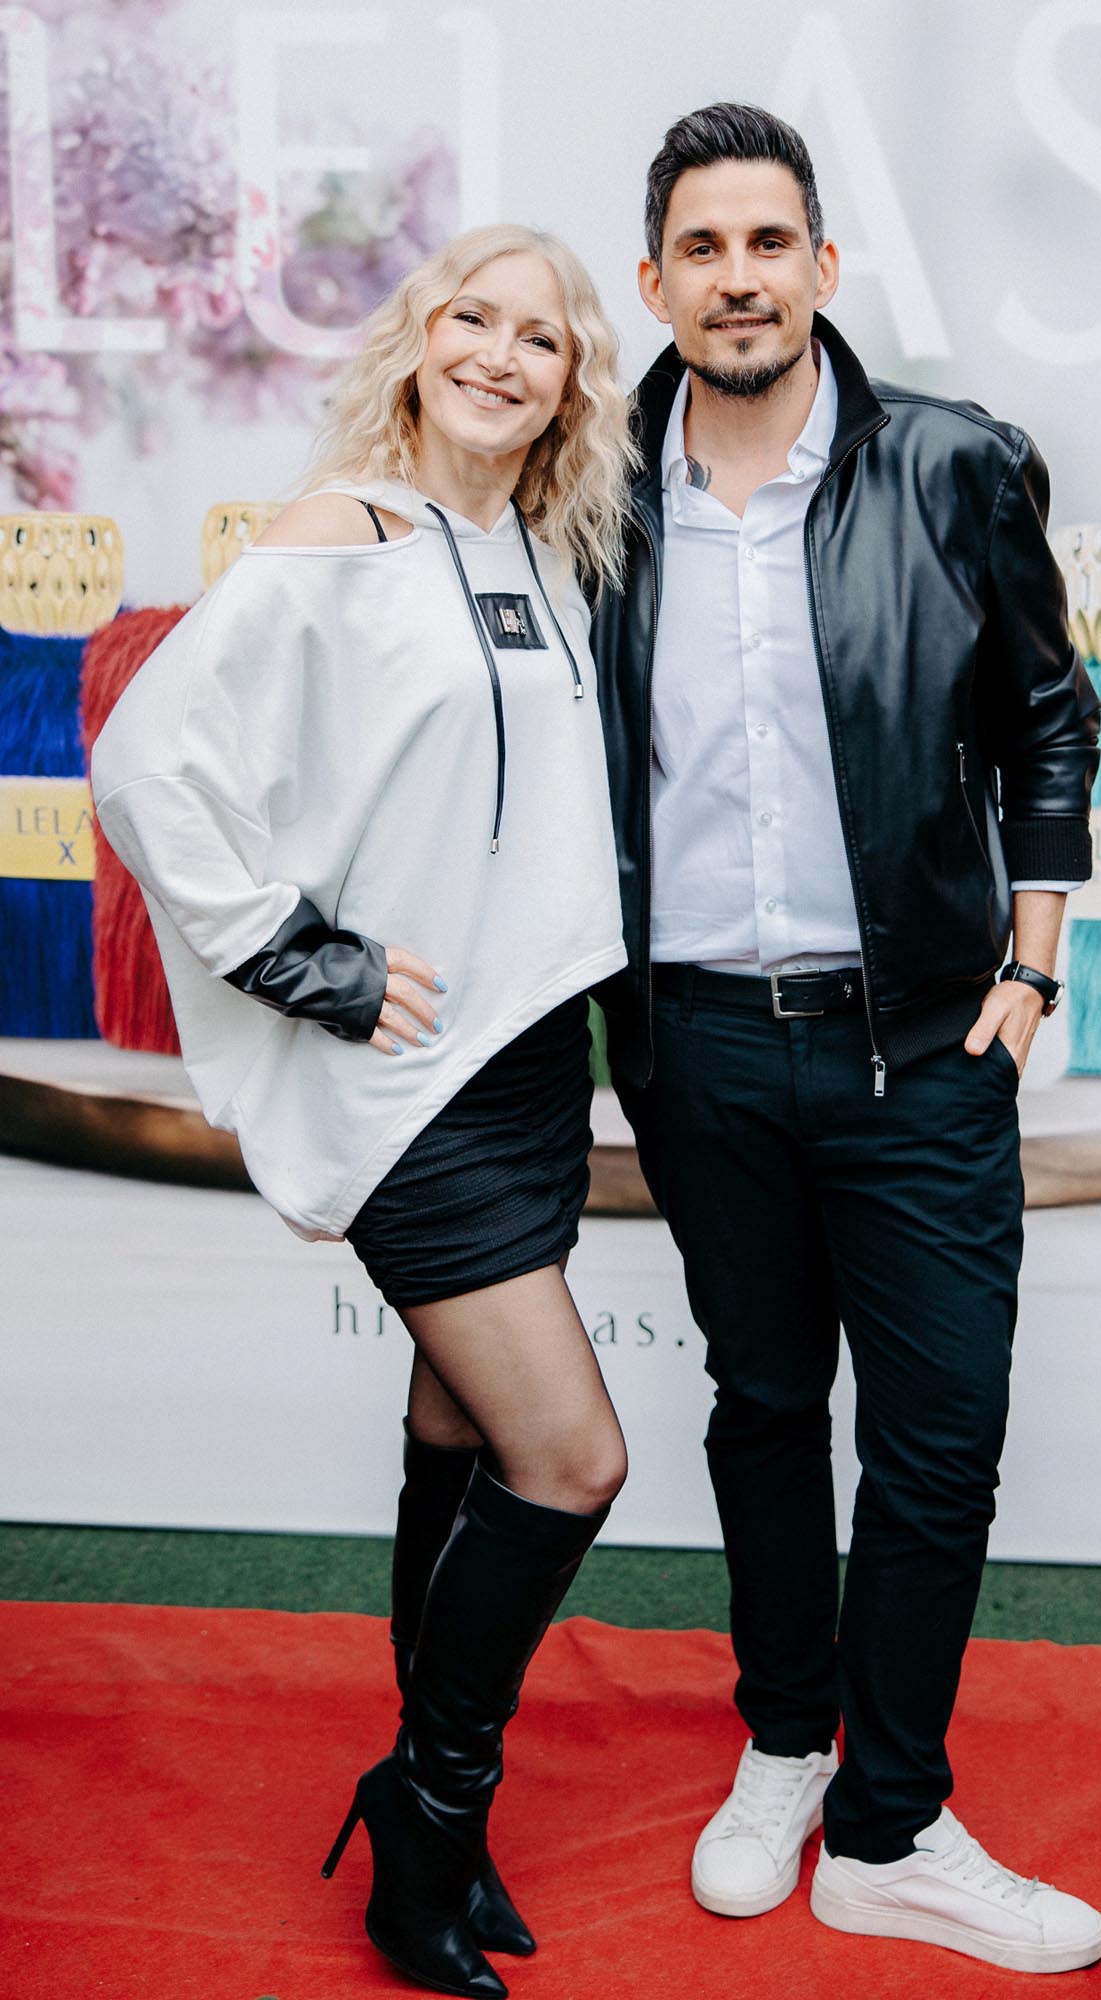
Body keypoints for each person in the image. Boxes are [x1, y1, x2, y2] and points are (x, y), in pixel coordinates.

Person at [91, 222, 636, 1999]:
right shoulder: (345, 530)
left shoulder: (536, 552)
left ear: (569, 387)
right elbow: (146, 756)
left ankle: (441, 1823)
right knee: (574, 1458)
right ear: (418, 342)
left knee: (461, 1430)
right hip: (412, 1079)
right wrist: (291, 956)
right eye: (472, 318)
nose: (499, 354)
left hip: (530, 1058)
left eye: (540, 338)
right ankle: (429, 1800)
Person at [592, 105, 1101, 1975]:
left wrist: (1031, 970)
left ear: (822, 265)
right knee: (760, 1409)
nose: (738, 278)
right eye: (702, 247)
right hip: (698, 1047)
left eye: (770, 243)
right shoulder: (591, 493)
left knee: (940, 1440)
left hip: (924, 1049)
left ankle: (890, 1827)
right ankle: (787, 1743)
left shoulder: (956, 464)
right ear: (655, 280)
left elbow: (1050, 719)